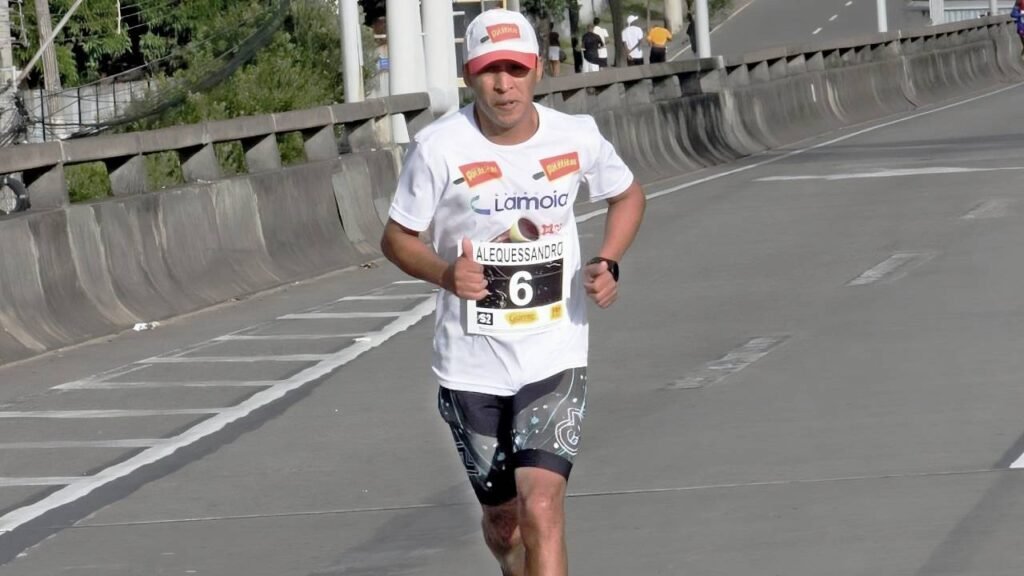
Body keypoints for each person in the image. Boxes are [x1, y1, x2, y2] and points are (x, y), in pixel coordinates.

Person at [380, 8, 646, 576]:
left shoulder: (575, 137)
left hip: (554, 350)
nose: (504, 84)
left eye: (517, 69)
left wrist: (609, 260)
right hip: (471, 362)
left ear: (538, 71)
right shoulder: (438, 147)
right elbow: (397, 238)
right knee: (507, 527)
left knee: (542, 506)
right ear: (469, 76)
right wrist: (446, 275)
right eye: (490, 71)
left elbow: (626, 194)